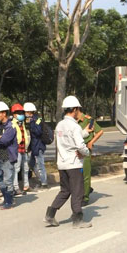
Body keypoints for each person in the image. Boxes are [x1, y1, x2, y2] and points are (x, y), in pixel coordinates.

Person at [44, 96, 92, 228]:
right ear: (75, 109)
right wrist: (86, 152)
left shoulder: (60, 125)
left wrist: (85, 132)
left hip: (62, 164)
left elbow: (67, 137)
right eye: (78, 110)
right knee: (77, 192)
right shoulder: (74, 126)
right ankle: (78, 220)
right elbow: (80, 145)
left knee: (65, 191)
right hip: (74, 164)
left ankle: (50, 215)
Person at [0, 101, 18, 209]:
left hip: (8, 154)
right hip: (1, 153)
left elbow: (4, 140)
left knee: (7, 180)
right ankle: (6, 197)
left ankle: (9, 201)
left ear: (3, 113)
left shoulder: (11, 126)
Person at [78, 110, 103, 206]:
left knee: (85, 173)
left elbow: (100, 131)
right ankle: (87, 188)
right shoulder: (72, 121)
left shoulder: (88, 120)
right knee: (77, 174)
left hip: (85, 149)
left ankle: (85, 197)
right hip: (76, 150)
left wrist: (91, 142)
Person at [24, 102, 48, 190]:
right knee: (31, 164)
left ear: (30, 112)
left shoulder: (37, 120)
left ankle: (44, 183)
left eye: (26, 112)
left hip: (39, 146)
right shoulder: (31, 120)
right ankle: (40, 180)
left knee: (40, 164)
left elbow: (38, 132)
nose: (25, 114)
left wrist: (31, 124)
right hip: (34, 146)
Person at [10, 103, 30, 195]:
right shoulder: (12, 123)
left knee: (25, 168)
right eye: (18, 112)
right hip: (17, 149)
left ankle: (26, 185)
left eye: (21, 112)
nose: (20, 114)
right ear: (14, 114)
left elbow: (25, 135)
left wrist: (26, 146)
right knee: (16, 169)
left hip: (23, 149)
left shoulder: (22, 123)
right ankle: (15, 187)